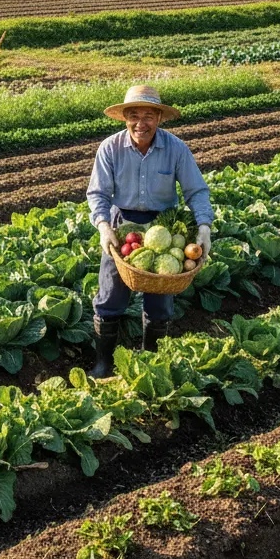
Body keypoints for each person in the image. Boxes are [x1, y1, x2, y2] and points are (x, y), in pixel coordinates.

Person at [86, 84, 214, 377]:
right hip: (123, 227)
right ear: (124, 118)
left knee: (160, 299)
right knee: (110, 296)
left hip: (163, 225)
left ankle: (150, 363)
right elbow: (98, 194)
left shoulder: (176, 149)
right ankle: (103, 365)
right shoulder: (110, 148)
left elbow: (196, 191)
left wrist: (204, 227)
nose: (140, 123)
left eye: (148, 116)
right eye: (133, 115)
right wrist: (104, 227)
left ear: (159, 118)